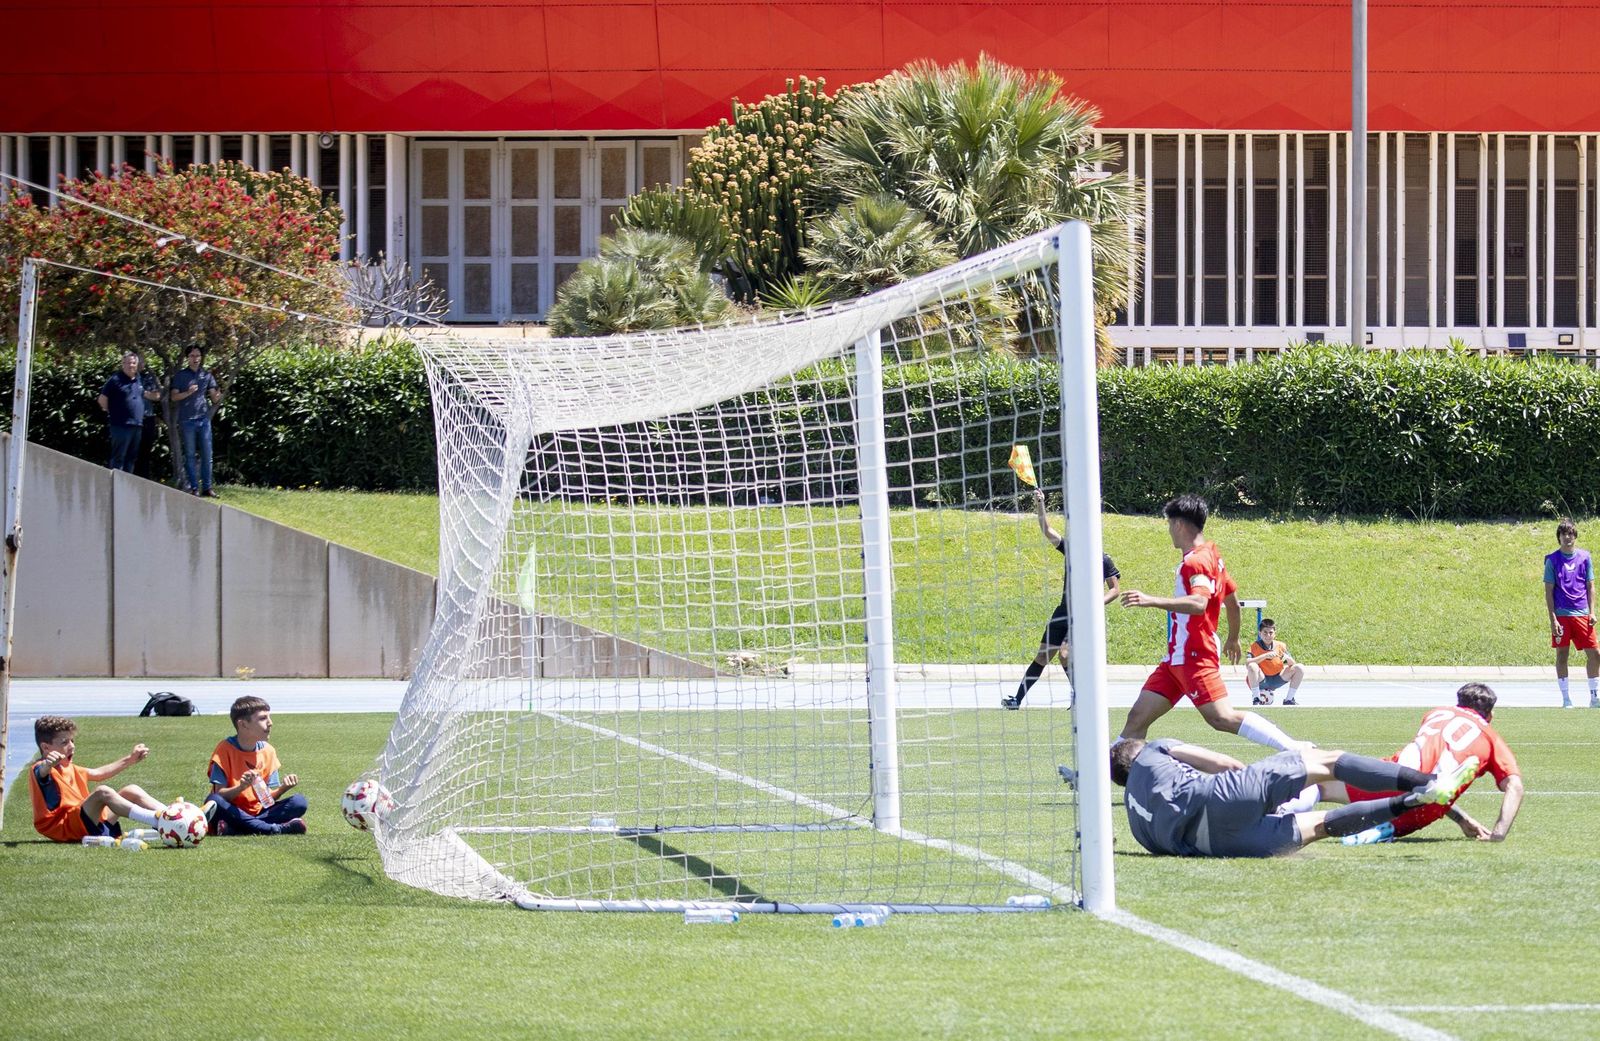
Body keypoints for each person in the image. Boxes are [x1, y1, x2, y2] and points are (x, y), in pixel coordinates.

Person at [1117, 494, 1304, 752]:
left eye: (1169, 525)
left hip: (1194, 654)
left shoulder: (1195, 561)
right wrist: (1232, 638)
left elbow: (1199, 603)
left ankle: (1294, 748)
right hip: (1176, 658)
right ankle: (1099, 776)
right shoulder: (1213, 556)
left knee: (1221, 717)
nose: (1169, 531)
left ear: (1179, 525)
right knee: (1137, 718)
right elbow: (1233, 602)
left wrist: (1150, 600)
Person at [1109, 735, 1479, 858]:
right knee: (1327, 762)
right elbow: (1222, 763)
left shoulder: (1136, 826)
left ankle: (1408, 804)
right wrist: (1258, 785)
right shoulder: (1154, 749)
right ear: (1135, 752)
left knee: (1320, 826)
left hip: (1217, 844)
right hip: (1220, 797)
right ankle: (1426, 783)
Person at [1281, 682, 1524, 844]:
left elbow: (1423, 771)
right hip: (1426, 810)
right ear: (1490, 715)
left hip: (1392, 776)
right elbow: (1515, 785)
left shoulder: (1436, 712)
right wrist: (1498, 834)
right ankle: (1386, 829)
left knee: (1321, 785)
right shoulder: (1490, 737)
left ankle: (1281, 814)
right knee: (1418, 800)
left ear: (1458, 703)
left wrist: (1461, 818)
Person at [1003, 487, 1120, 710]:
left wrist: (1096, 604)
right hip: (1062, 612)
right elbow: (1047, 530)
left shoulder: (1103, 559)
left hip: (1082, 617)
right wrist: (1040, 503)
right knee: (1042, 656)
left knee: (1065, 655)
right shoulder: (1072, 549)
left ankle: (1081, 697)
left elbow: (1115, 589)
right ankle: (1016, 700)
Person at [28, 716, 168, 842]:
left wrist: (130, 759)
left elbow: (99, 773)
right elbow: (41, 772)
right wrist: (47, 764)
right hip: (65, 827)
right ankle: (158, 820)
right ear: (46, 748)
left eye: (72, 740)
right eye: (64, 742)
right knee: (103, 792)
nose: (72, 746)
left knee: (131, 790)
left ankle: (172, 814)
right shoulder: (40, 767)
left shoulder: (70, 768)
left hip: (85, 822)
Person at [203, 696, 308, 836]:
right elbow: (219, 795)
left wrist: (283, 788)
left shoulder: (268, 751)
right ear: (243, 725)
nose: (270, 723)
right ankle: (274, 828)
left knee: (299, 802)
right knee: (213, 801)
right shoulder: (224, 749)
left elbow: (267, 799)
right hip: (232, 810)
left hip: (259, 812)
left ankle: (235, 829)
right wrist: (241, 787)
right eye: (263, 718)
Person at [1544, 518, 1598, 708]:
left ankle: (1594, 697)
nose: (1567, 537)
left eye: (1570, 534)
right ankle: (1566, 698)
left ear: (1575, 537)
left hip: (1582, 614)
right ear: (1558, 537)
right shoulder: (1552, 560)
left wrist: (1592, 612)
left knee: (1595, 654)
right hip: (1561, 615)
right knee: (1562, 656)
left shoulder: (1585, 557)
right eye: (1563, 534)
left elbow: (1591, 586)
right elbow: (1548, 592)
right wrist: (1553, 620)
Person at [170, 345, 222, 497]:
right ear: (188, 358)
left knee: (207, 454)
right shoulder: (181, 376)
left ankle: (207, 488)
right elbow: (173, 397)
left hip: (203, 420)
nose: (195, 359)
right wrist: (188, 392)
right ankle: (193, 487)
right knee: (190, 455)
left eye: (198, 356)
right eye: (192, 356)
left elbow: (213, 396)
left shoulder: (206, 375)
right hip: (187, 420)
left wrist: (217, 395)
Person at [95, 351, 159, 473]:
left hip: (137, 425)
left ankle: (127, 486)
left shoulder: (138, 381)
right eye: (128, 363)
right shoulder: (115, 380)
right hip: (121, 425)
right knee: (118, 457)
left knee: (131, 458)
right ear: (123, 364)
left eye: (134, 363)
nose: (131, 366)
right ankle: (114, 486)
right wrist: (113, 410)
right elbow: (102, 400)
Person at [1246, 618, 1306, 706]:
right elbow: (1247, 664)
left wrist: (1286, 658)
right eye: (1265, 633)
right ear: (1260, 633)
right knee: (1252, 666)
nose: (1268, 635)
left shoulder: (1281, 646)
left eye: (1271, 633)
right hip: (1262, 679)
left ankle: (1289, 699)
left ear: (1275, 634)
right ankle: (1256, 699)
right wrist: (1265, 656)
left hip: (1277, 678)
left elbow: (1293, 664)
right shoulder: (1254, 646)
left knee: (1300, 667)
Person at [132, 351, 164, 481]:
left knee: (145, 453)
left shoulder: (148, 378)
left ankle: (143, 480)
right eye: (138, 361)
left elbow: (157, 396)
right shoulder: (125, 377)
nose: (141, 364)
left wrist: (142, 392)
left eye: (142, 361)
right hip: (131, 420)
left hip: (147, 419)